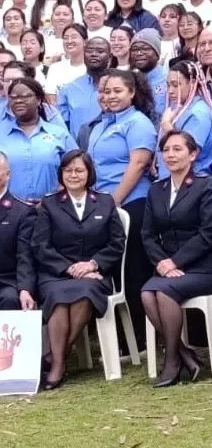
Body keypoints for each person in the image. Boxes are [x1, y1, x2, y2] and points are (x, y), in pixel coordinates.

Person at [31, 149, 125, 389]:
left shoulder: (104, 202)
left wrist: (93, 264)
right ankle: (59, 362)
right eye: (68, 170)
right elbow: (40, 245)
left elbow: (117, 243)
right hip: (56, 275)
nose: (73, 175)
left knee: (84, 293)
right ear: (61, 174)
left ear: (89, 173)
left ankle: (55, 360)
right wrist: (69, 268)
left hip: (95, 273)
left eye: (79, 170)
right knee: (59, 298)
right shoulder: (50, 205)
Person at [141, 130, 212, 387]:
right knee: (146, 293)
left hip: (204, 267)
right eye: (166, 150)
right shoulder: (157, 190)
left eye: (178, 149)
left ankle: (172, 362)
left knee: (162, 293)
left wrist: (176, 262)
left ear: (193, 154)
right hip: (168, 269)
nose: (171, 155)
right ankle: (184, 353)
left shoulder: (204, 185)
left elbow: (209, 232)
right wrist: (162, 263)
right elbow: (147, 234)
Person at [87, 69, 157, 343]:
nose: (110, 96)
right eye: (105, 91)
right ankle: (122, 337)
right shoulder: (102, 124)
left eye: (117, 91)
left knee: (133, 270)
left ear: (132, 93)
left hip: (132, 203)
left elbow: (138, 164)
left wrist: (115, 201)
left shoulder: (137, 123)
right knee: (113, 269)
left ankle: (141, 337)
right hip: (106, 207)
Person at [0, 78, 77, 202]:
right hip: (8, 213)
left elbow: (78, 169)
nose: (18, 100)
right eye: (13, 97)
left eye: (25, 96)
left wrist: (54, 199)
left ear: (39, 100)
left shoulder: (59, 134)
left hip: (52, 210)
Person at [158, 60, 212, 179]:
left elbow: (188, 153)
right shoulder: (180, 108)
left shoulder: (198, 113)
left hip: (192, 181)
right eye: (168, 85)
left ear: (193, 82)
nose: (170, 91)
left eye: (176, 85)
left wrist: (166, 125)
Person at [0, 152, 36, 310]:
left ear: (8, 174)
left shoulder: (22, 211)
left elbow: (25, 255)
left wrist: (25, 289)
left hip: (7, 280)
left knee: (10, 299)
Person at [57, 37, 112, 139]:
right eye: (89, 51)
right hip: (79, 151)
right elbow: (62, 127)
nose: (94, 54)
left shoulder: (120, 88)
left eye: (100, 51)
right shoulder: (69, 89)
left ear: (110, 57)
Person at [129, 29, 167, 118]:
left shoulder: (168, 79)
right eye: (134, 49)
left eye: (145, 49)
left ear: (157, 54)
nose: (139, 53)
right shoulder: (128, 80)